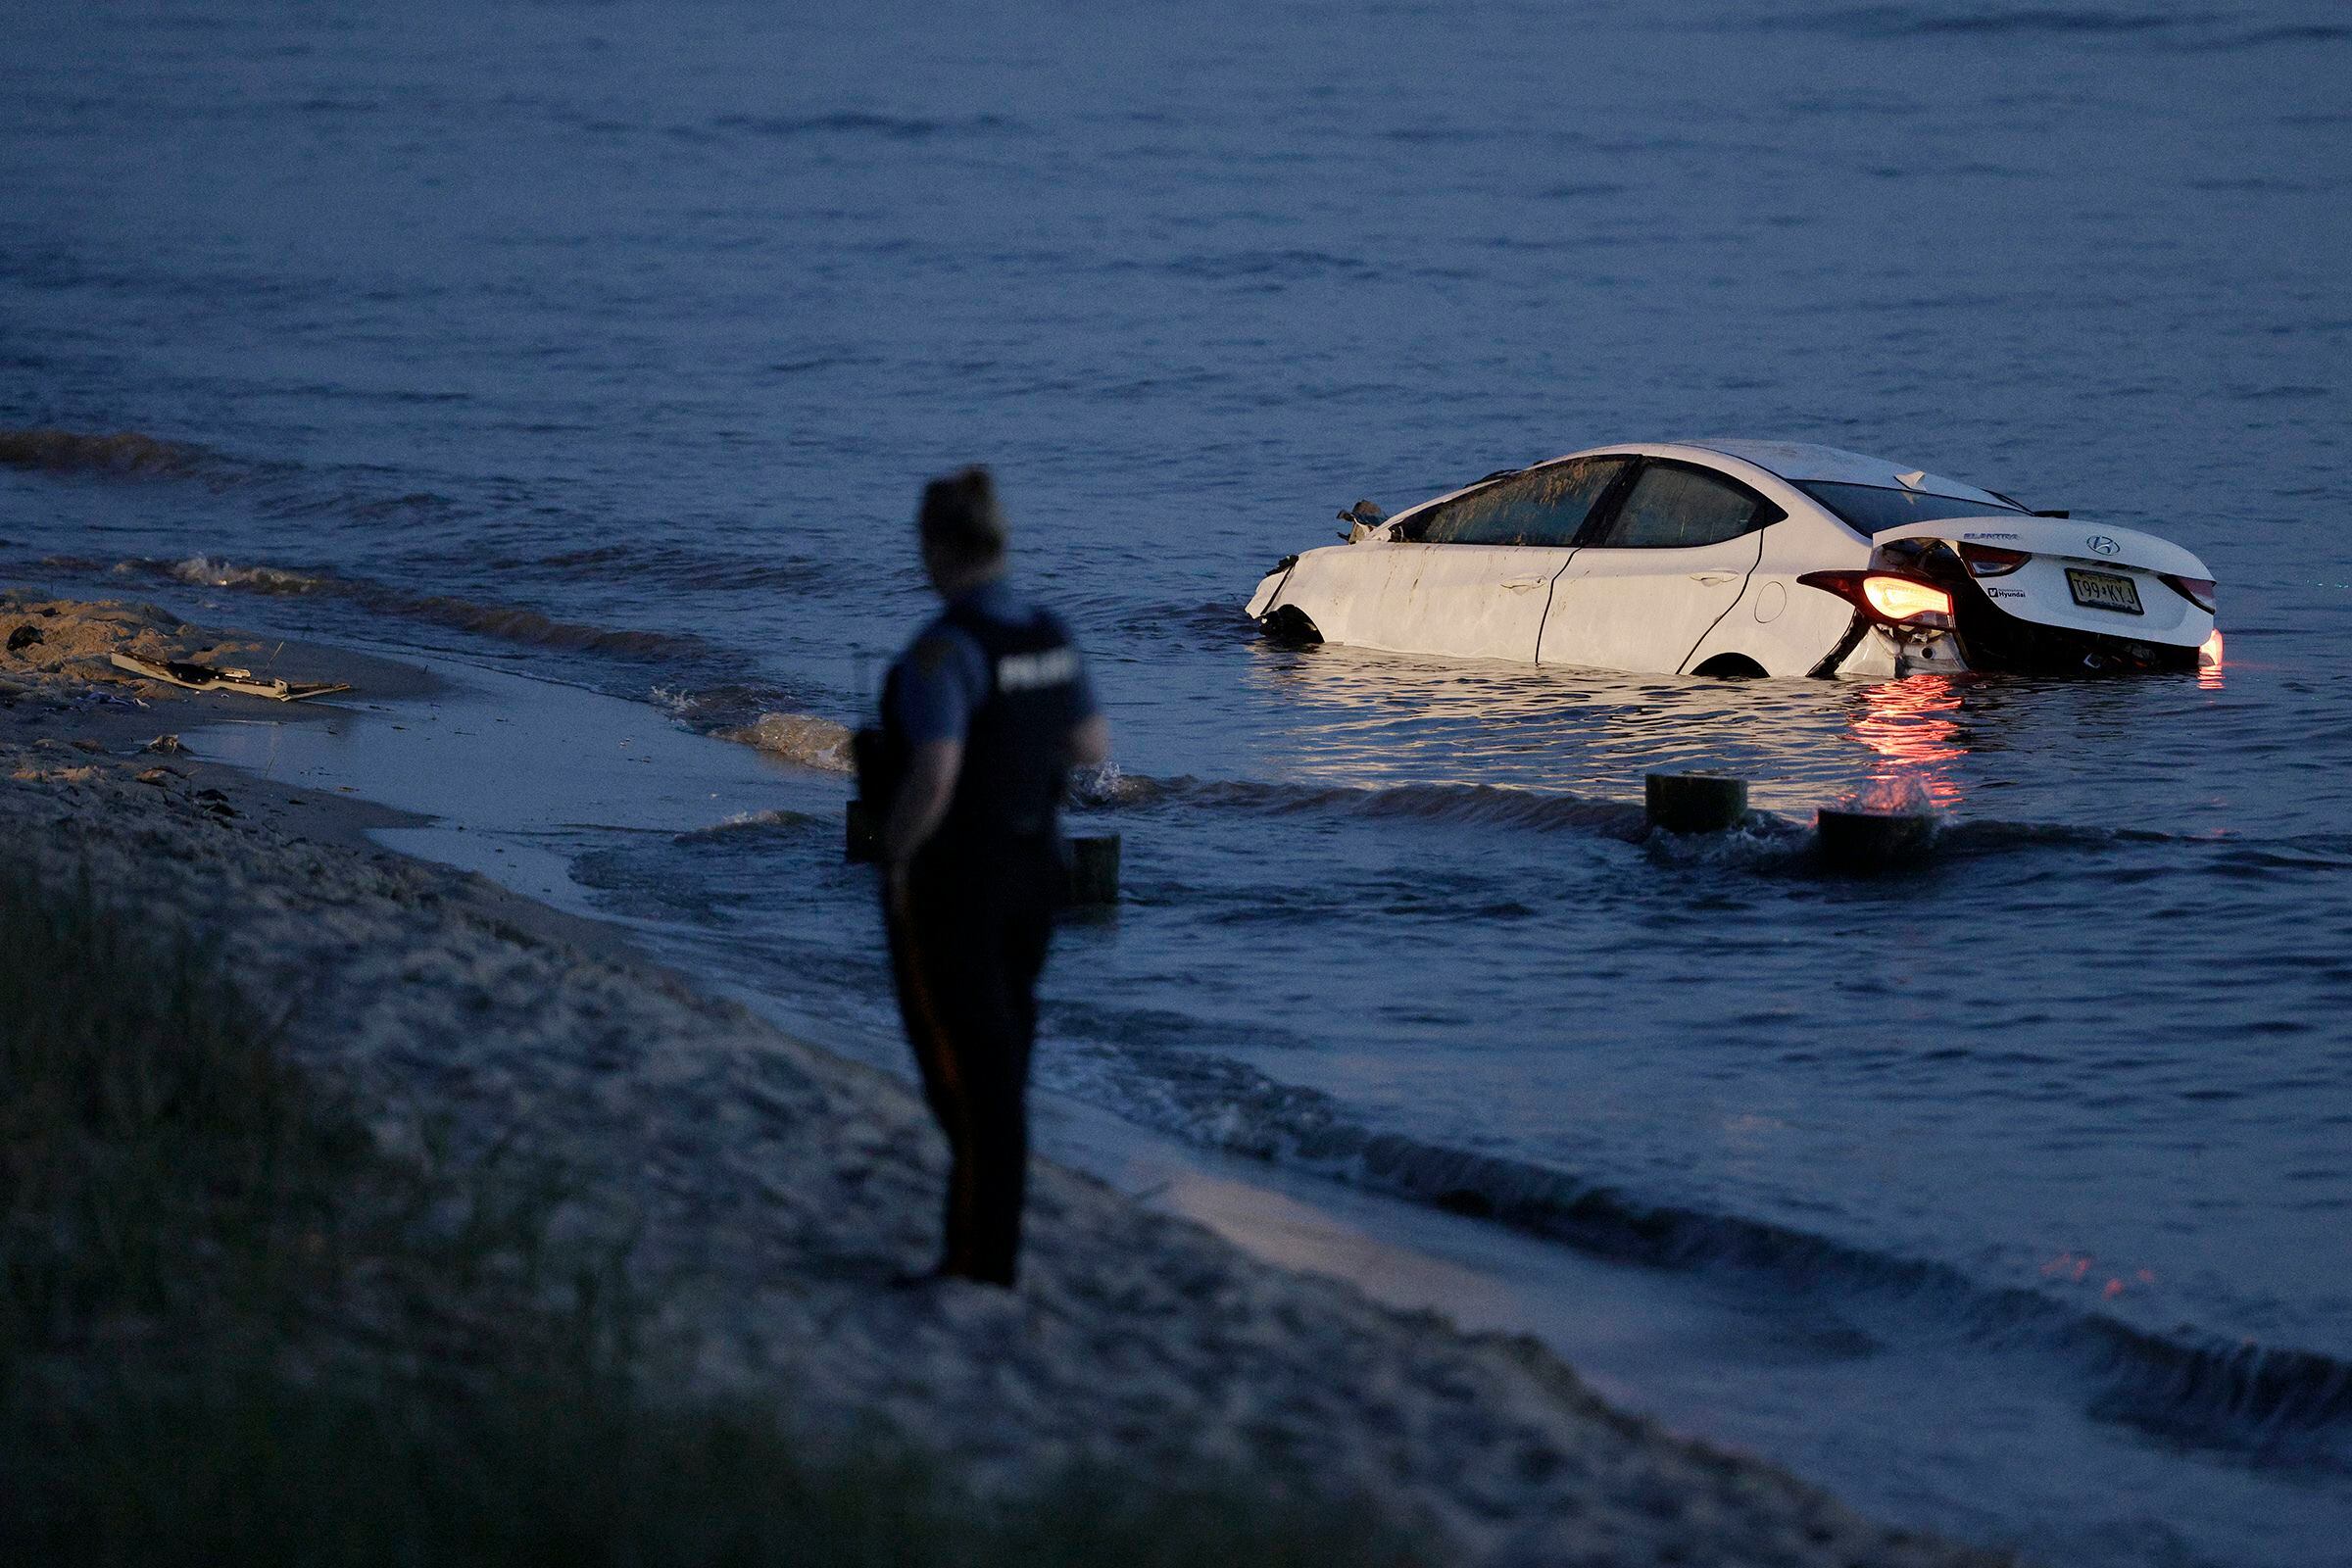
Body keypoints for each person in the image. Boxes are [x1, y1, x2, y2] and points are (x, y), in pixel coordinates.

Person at [867, 466, 1109, 1288]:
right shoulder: (1049, 632)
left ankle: (976, 1262)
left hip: (958, 884)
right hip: (1038, 876)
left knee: (965, 1078)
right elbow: (1091, 749)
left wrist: (893, 854)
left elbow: (933, 776)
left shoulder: (943, 651)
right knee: (1003, 1064)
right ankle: (984, 1251)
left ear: (934, 547)